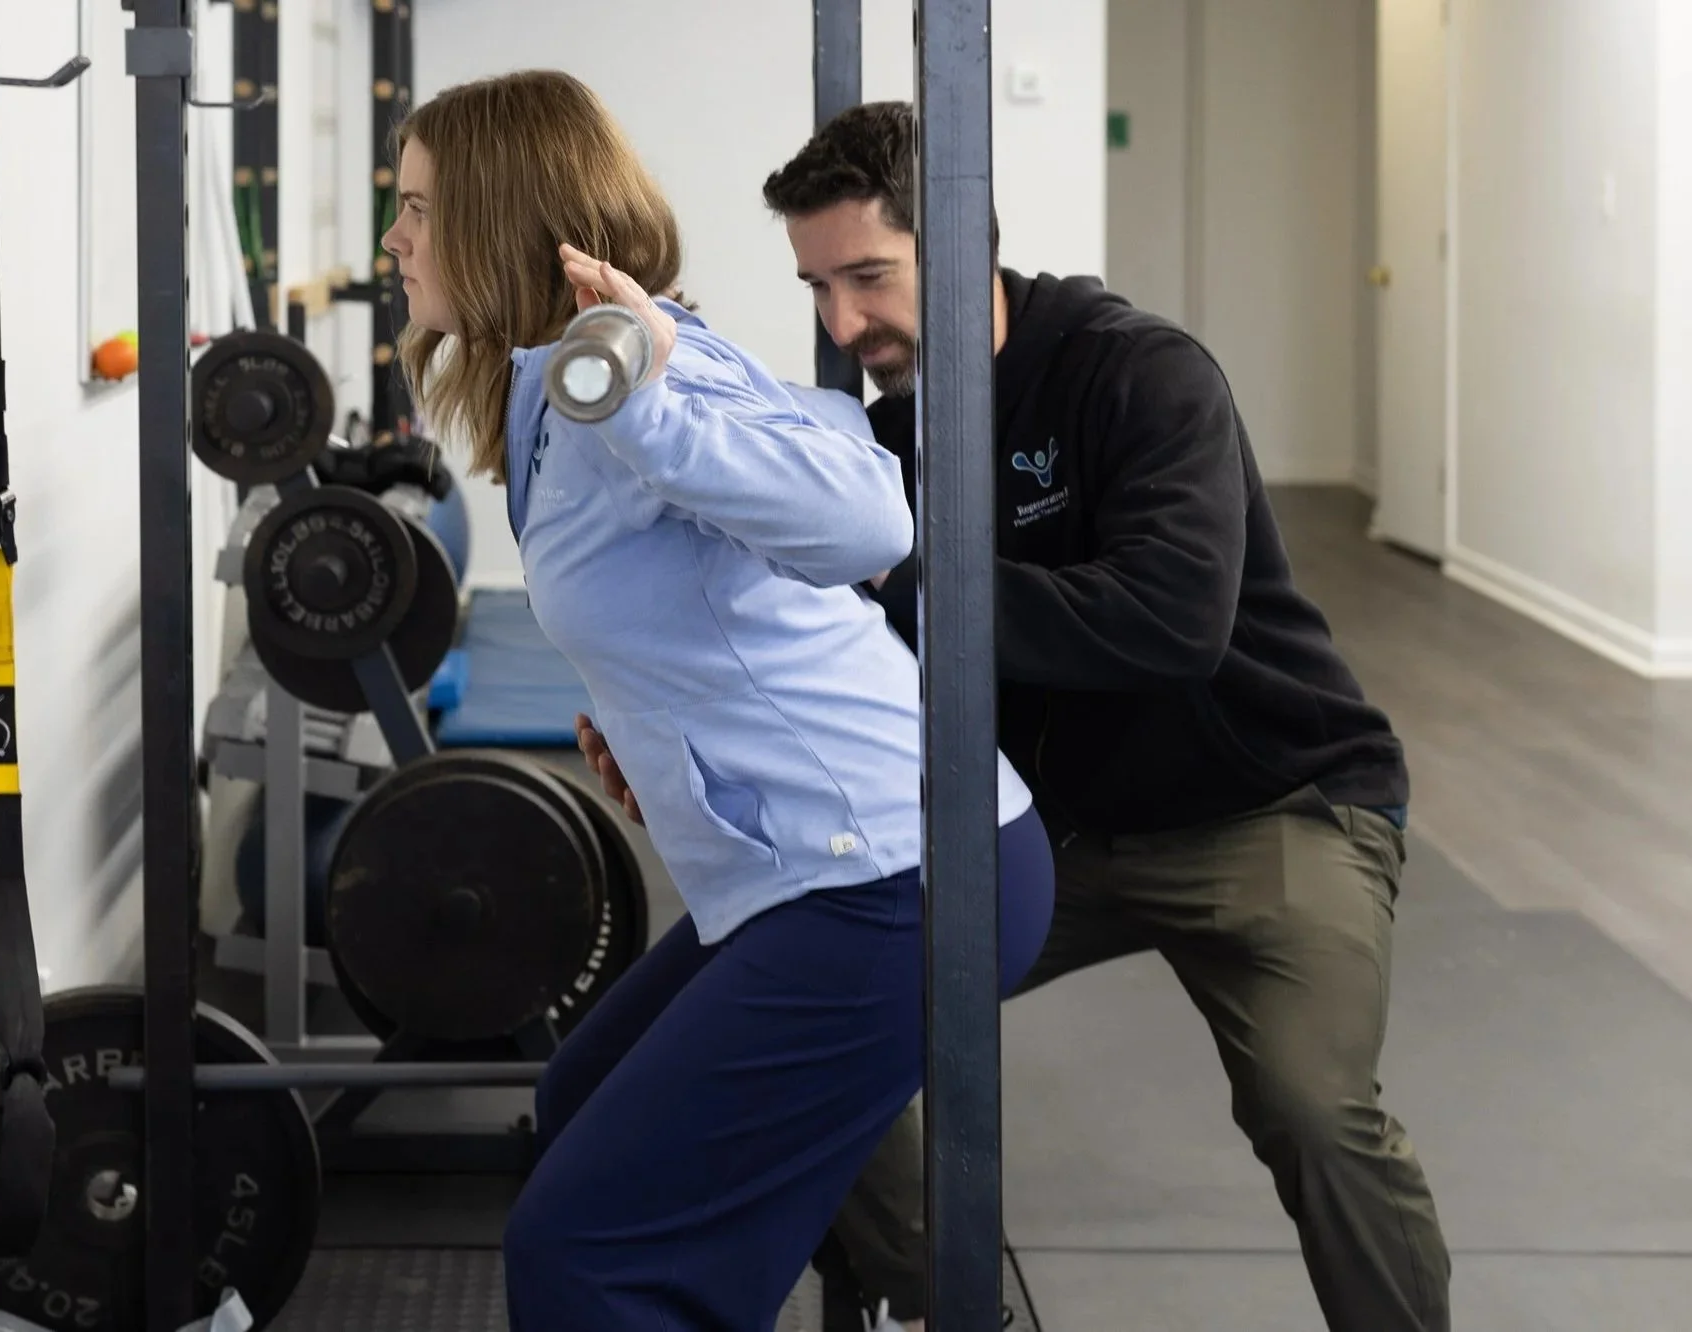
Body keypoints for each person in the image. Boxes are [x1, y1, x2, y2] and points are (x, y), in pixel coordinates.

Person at [578, 100, 1453, 1332]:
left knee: (1312, 1113)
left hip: (1271, 812)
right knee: (827, 1053)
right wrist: (657, 728)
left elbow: (1168, 623)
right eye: (817, 285)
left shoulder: (1137, 372)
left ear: (958, 242)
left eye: (868, 277)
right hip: (1049, 834)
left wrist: (905, 573)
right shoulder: (879, 439)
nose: (841, 323)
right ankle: (947, 1310)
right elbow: (805, 652)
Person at [377, 71, 1056, 1331]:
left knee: (584, 1253)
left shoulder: (635, 363)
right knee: (582, 1104)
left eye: (418, 206)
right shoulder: (552, 373)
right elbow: (686, 587)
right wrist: (651, 726)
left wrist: (649, 398)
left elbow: (867, 515)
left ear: (499, 210)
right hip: (825, 867)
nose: (394, 237)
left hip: (898, 877)